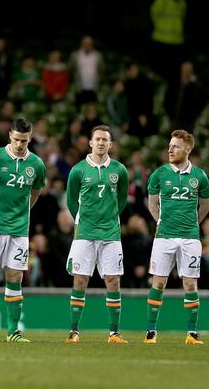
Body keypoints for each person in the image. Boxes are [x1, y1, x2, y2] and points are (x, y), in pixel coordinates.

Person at [0, 117, 46, 342]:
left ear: (30, 138)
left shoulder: (37, 165)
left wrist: (22, 212)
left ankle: (13, 331)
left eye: (24, 140)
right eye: (16, 140)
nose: (20, 144)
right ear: (9, 137)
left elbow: (36, 191)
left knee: (15, 277)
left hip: (19, 229)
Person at [144, 130, 209, 345]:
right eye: (170, 145)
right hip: (164, 236)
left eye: (176, 146)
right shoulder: (159, 174)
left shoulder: (199, 176)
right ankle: (151, 331)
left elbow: (205, 206)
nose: (170, 149)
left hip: (190, 237)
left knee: (190, 285)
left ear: (188, 149)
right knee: (159, 282)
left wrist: (191, 224)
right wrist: (160, 222)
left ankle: (192, 334)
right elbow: (152, 204)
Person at [65, 125, 129, 344]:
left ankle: (114, 333)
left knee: (113, 281)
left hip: (111, 233)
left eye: (105, 140)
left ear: (110, 144)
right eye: (98, 139)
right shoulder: (78, 170)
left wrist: (108, 219)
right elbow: (72, 201)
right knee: (80, 280)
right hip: (84, 233)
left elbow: (122, 200)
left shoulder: (119, 170)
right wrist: (85, 220)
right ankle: (74, 331)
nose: (101, 143)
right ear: (90, 143)